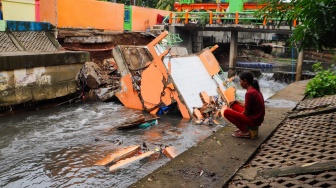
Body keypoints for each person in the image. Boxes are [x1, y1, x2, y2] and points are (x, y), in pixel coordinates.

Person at [224, 71, 265, 138]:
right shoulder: (254, 89)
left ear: (245, 81)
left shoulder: (249, 93)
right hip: (257, 118)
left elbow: (246, 112)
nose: (240, 83)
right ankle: (244, 127)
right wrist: (237, 101)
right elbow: (248, 106)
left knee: (226, 112)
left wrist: (238, 117)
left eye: (240, 81)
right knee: (234, 105)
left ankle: (244, 131)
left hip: (253, 120)